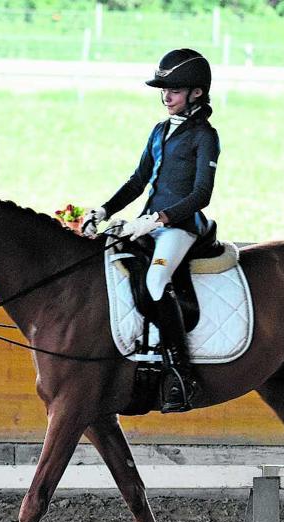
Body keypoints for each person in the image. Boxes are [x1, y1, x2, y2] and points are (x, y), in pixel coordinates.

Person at [81, 48, 220, 414]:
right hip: (147, 221)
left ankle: (179, 371)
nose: (166, 96)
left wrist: (159, 219)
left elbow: (201, 195)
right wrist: (105, 210)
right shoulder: (160, 130)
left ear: (196, 93)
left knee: (157, 282)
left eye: (174, 90)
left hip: (180, 226)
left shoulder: (205, 136)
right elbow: (139, 179)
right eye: (164, 90)